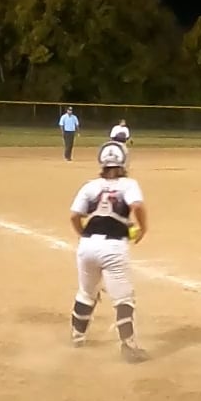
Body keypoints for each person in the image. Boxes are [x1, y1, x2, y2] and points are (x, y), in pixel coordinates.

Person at [68, 141, 150, 362]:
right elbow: (137, 206)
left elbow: (74, 216)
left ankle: (77, 337)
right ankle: (128, 346)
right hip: (114, 247)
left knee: (86, 293)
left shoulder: (90, 186)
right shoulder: (128, 184)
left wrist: (82, 235)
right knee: (124, 298)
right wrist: (143, 227)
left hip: (87, 245)